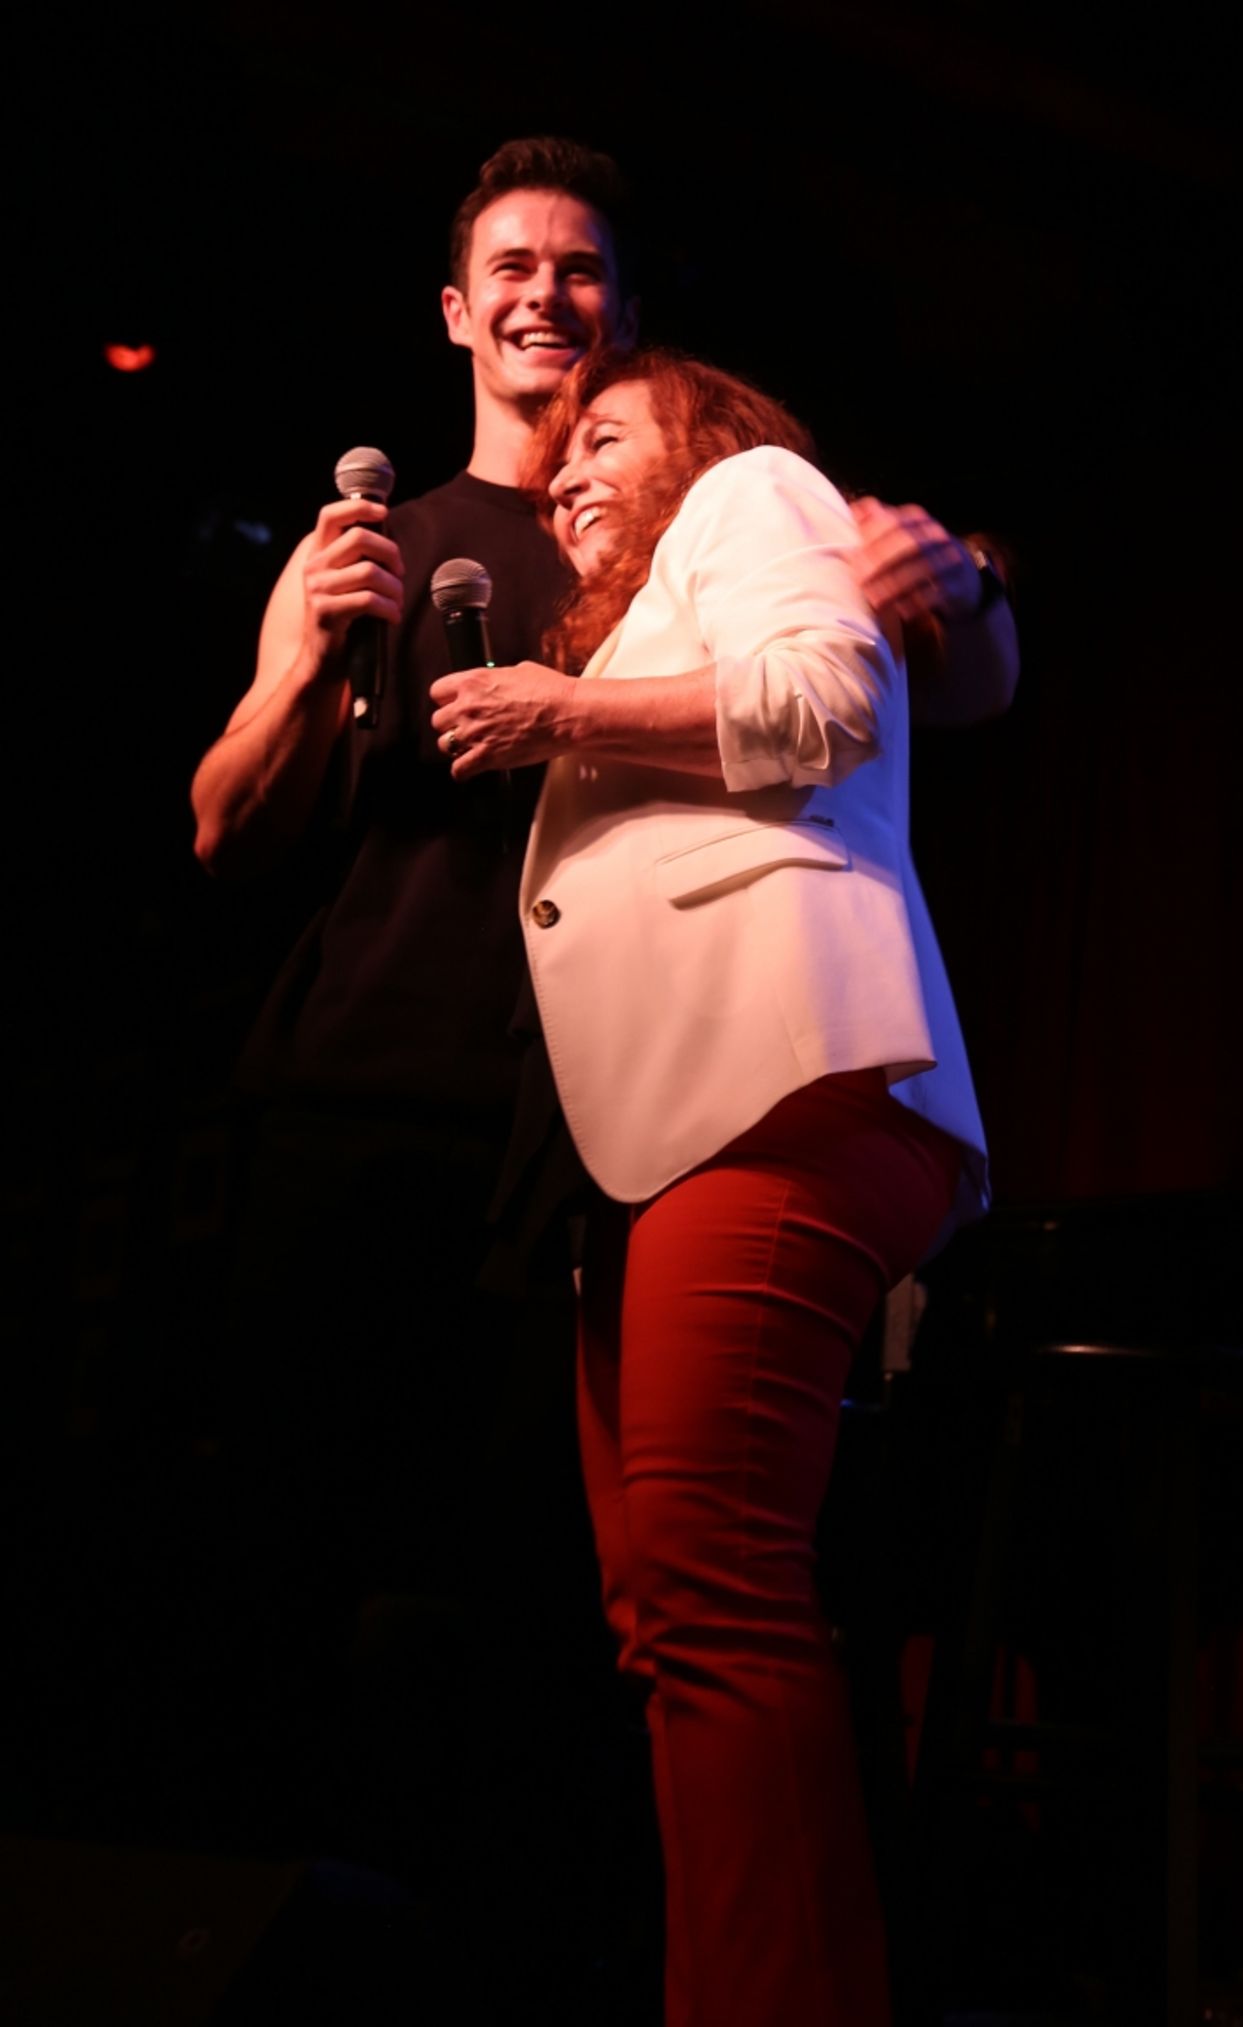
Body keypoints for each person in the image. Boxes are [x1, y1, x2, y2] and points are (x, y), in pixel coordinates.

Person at [189, 133, 1015, 2009]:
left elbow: (889, 675)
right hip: (404, 1106)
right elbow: (225, 826)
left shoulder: (706, 510)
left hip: (629, 1124)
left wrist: (974, 587)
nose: (545, 299)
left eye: (581, 271)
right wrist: (317, 660)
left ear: (630, 324)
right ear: (454, 310)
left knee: (613, 1619)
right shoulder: (392, 552)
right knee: (403, 1581)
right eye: (511, 266)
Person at [425, 344, 992, 2027]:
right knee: (672, 1610)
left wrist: (557, 713)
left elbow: (828, 701)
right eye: (557, 454)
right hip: (680, 1129)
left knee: (714, 1591)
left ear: (707, 434)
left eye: (604, 434)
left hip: (783, 1085)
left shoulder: (754, 493)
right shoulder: (635, 613)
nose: (564, 474)